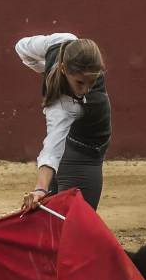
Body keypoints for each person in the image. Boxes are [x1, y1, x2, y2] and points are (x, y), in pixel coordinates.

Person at [15, 33, 111, 212]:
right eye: (80, 82)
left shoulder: (61, 42)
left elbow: (21, 47)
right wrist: (41, 188)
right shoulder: (63, 106)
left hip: (73, 153)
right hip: (81, 158)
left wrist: (45, 71)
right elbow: (52, 147)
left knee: (53, 228)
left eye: (92, 81)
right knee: (75, 231)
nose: (85, 90)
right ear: (64, 69)